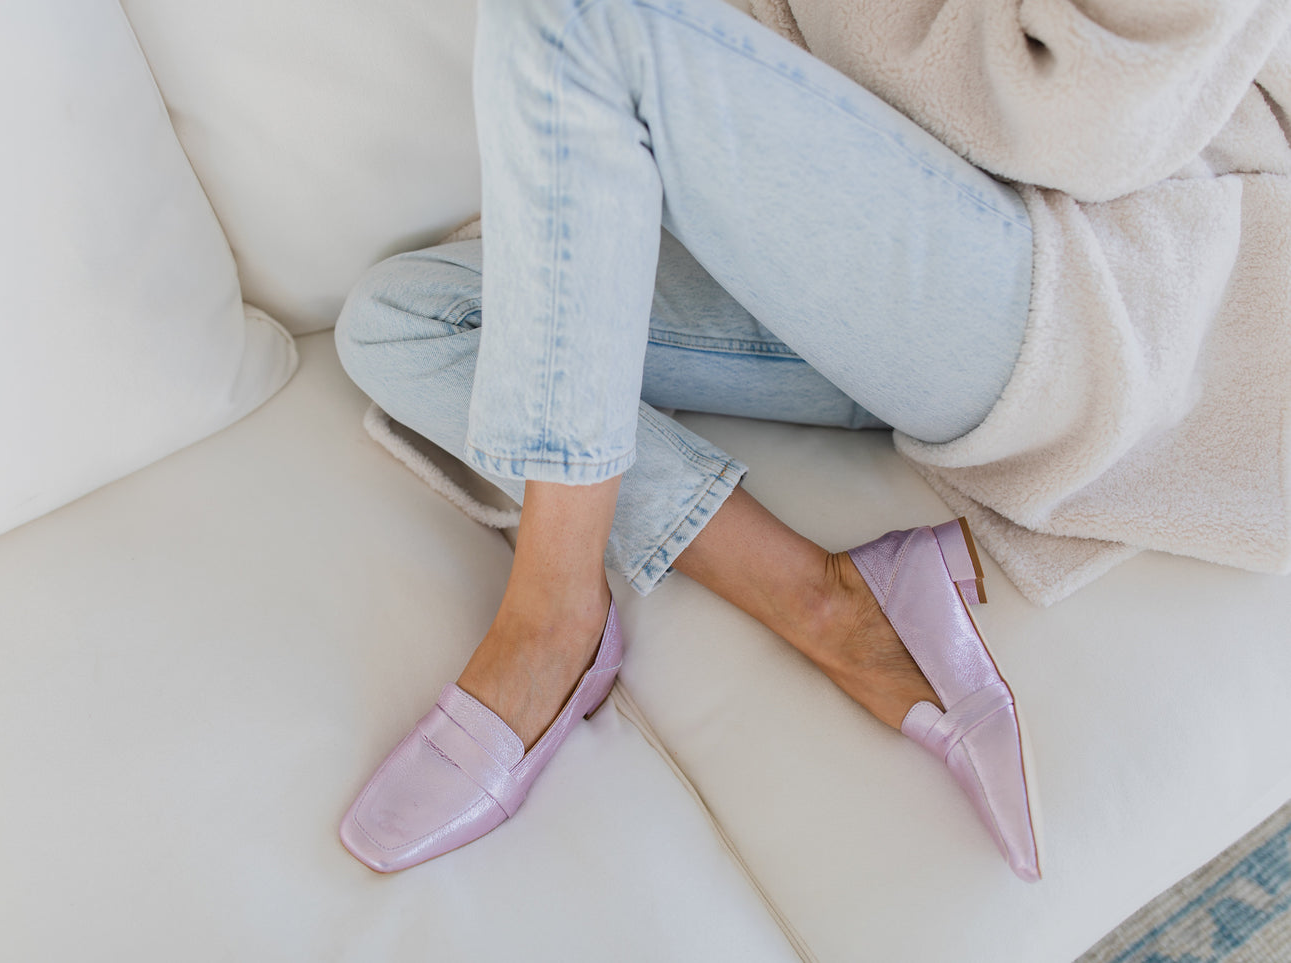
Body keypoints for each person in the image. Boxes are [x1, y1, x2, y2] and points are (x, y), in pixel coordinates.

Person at [333, 0, 1291, 882]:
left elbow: (1084, 118)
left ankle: (552, 619)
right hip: (871, 265)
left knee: (571, 13)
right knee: (407, 320)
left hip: (1091, 281)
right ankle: (821, 598)